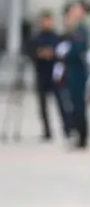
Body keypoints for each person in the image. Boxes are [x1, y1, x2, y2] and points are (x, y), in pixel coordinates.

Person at [55, 0, 90, 149]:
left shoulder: (81, 29)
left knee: (79, 104)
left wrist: (65, 53)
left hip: (78, 71)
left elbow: (77, 49)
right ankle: (77, 133)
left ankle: (82, 137)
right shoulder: (73, 28)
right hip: (71, 70)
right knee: (73, 104)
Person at [26, 10, 69, 141]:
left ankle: (67, 128)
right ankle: (47, 131)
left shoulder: (57, 37)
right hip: (41, 73)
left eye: (49, 20)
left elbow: (61, 52)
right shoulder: (36, 38)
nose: (47, 23)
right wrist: (41, 54)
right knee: (42, 105)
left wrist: (51, 53)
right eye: (44, 20)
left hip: (55, 75)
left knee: (61, 102)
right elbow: (32, 53)